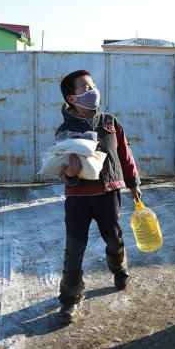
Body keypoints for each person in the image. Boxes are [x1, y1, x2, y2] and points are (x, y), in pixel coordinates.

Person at [56, 70, 142, 324]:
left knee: (114, 239)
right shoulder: (64, 131)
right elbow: (61, 169)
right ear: (72, 99)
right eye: (85, 88)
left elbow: (125, 154)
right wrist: (70, 175)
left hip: (108, 193)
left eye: (93, 85)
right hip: (78, 197)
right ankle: (70, 298)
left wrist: (133, 182)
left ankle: (118, 268)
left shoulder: (110, 122)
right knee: (75, 247)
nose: (93, 91)